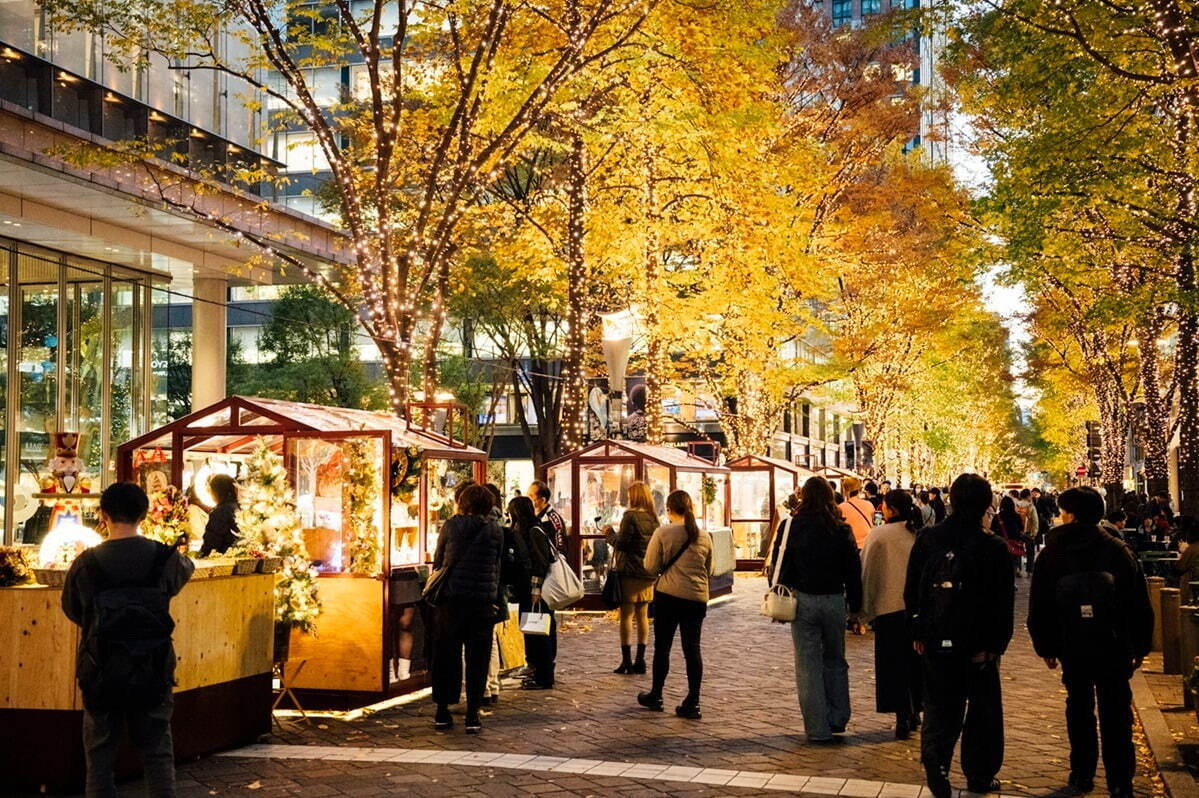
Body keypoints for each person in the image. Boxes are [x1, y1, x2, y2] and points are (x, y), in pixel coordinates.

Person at [62, 482, 195, 798]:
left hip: (100, 667)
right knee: (157, 754)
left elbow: (73, 609)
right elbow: (183, 576)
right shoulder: (166, 558)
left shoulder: (86, 563)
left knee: (100, 758)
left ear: (103, 514)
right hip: (153, 666)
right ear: (144, 513)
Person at [1027, 487, 1153, 798]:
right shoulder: (1117, 550)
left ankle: (1082, 773)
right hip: (1113, 643)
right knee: (1116, 711)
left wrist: (1046, 646)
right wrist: (1140, 645)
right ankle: (1120, 779)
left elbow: (1040, 604)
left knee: (1079, 707)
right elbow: (1137, 601)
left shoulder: (1052, 553)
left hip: (1073, 643)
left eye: (1062, 511)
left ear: (1070, 515)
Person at [905, 473, 1014, 798]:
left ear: (950, 499)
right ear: (986, 503)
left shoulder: (927, 539)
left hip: (937, 637)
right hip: (979, 642)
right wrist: (996, 644)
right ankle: (980, 774)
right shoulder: (992, 545)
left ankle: (937, 760)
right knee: (983, 711)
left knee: (940, 703)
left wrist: (918, 630)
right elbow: (1002, 600)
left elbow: (913, 590)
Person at [772, 476, 862, 742]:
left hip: (803, 600)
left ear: (804, 497)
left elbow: (780, 563)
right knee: (836, 659)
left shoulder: (792, 526)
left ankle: (816, 727)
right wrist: (855, 608)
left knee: (807, 664)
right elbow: (853, 572)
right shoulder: (841, 529)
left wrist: (780, 593)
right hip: (834, 599)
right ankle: (837, 718)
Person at [429, 484, 503, 734]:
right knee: (478, 659)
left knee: (446, 656)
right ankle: (473, 714)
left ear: (463, 502)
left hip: (452, 601)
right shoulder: (495, 530)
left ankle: (442, 711)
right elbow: (497, 564)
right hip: (482, 604)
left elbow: (439, 561)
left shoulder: (451, 525)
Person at [637, 489, 713, 720]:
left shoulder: (664, 532)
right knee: (692, 649)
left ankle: (657, 695)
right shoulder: (704, 536)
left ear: (669, 509)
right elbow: (709, 570)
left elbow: (650, 565)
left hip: (669, 595)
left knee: (663, 647)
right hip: (696, 598)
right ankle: (693, 700)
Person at [862, 489, 923, 739]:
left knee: (893, 666)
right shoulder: (919, 534)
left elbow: (868, 572)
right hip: (918, 609)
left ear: (892, 509)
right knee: (917, 664)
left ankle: (901, 715)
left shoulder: (879, 535)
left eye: (885, 506)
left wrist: (862, 611)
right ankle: (915, 711)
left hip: (889, 609)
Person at [507, 495, 557, 691]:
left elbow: (540, 562)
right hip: (530, 590)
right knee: (536, 630)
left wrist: (536, 588)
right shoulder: (533, 528)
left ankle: (544, 676)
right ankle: (540, 671)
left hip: (536, 590)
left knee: (539, 632)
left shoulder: (533, 531)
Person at [608, 481, 658, 675]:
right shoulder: (653, 518)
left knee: (626, 615)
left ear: (634, 497)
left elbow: (622, 544)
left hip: (629, 571)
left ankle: (626, 661)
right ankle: (641, 660)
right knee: (643, 615)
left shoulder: (630, 516)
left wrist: (609, 534)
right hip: (647, 571)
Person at [199, 474, 239, 556]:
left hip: (222, 558)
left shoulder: (220, 512)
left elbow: (212, 542)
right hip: (237, 556)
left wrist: (202, 555)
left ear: (216, 492)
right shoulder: (238, 508)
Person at [991, 495, 1026, 577]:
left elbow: (992, 530)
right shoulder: (1016, 516)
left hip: (1000, 544)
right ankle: (1013, 581)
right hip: (1014, 543)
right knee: (1013, 563)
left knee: (1001, 563)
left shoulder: (997, 517)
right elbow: (1021, 528)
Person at [529, 479, 567, 552]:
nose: (527, 499)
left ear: (542, 500)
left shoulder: (553, 518)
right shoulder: (535, 516)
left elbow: (560, 547)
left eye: (531, 496)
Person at [839, 476, 877, 548]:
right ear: (859, 490)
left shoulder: (841, 508)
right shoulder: (868, 504)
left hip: (850, 546)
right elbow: (876, 523)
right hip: (867, 545)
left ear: (845, 490)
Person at [1175, 516, 1199, 604]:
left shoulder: (1192, 548)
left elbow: (1179, 568)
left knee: (1185, 577)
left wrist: (1182, 552)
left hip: (1195, 580)